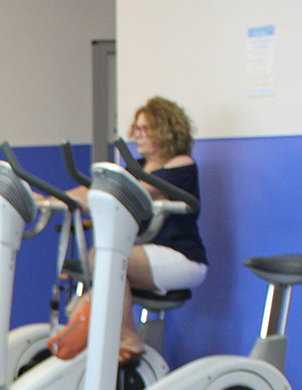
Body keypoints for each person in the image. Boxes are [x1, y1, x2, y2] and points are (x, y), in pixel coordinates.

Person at [50, 96, 208, 360]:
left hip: (182, 259)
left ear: (165, 130)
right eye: (136, 129)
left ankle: (128, 338)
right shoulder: (140, 168)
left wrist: (94, 196)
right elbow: (97, 189)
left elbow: (126, 191)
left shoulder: (182, 164)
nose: (138, 135)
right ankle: (81, 334)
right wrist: (52, 199)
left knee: (104, 257)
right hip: (148, 257)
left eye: (145, 129)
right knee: (98, 281)